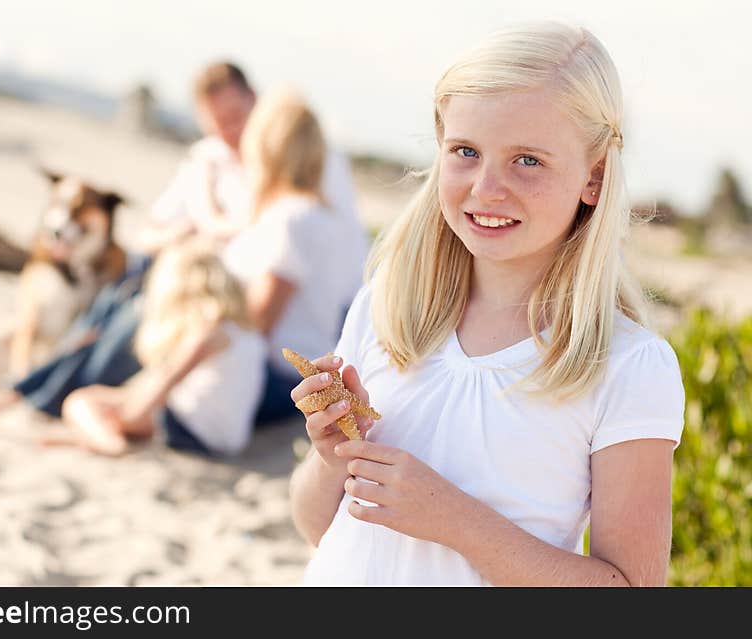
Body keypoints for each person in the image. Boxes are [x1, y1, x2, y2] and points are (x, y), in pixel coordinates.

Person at [288, 22, 686, 586]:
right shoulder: (388, 308)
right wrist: (333, 458)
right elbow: (315, 527)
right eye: (466, 151)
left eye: (527, 160)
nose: (486, 187)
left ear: (593, 177)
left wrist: (457, 521)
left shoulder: (626, 366)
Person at [3, 61, 364, 421]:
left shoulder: (290, 216)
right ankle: (50, 386)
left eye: (239, 120)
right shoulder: (246, 186)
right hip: (246, 332)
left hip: (269, 366)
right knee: (138, 281)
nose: (232, 134)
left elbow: (258, 322)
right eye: (217, 126)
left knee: (150, 308)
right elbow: (154, 235)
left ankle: (51, 393)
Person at [42, 236, 266, 457]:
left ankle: (109, 442)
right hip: (229, 436)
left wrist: (127, 414)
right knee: (108, 401)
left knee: (81, 402)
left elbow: (167, 379)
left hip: (195, 430)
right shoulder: (243, 330)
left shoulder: (207, 332)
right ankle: (96, 436)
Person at [221, 88, 366, 425]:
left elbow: (259, 320)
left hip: (274, 379)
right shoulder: (315, 214)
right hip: (291, 376)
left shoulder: (291, 219)